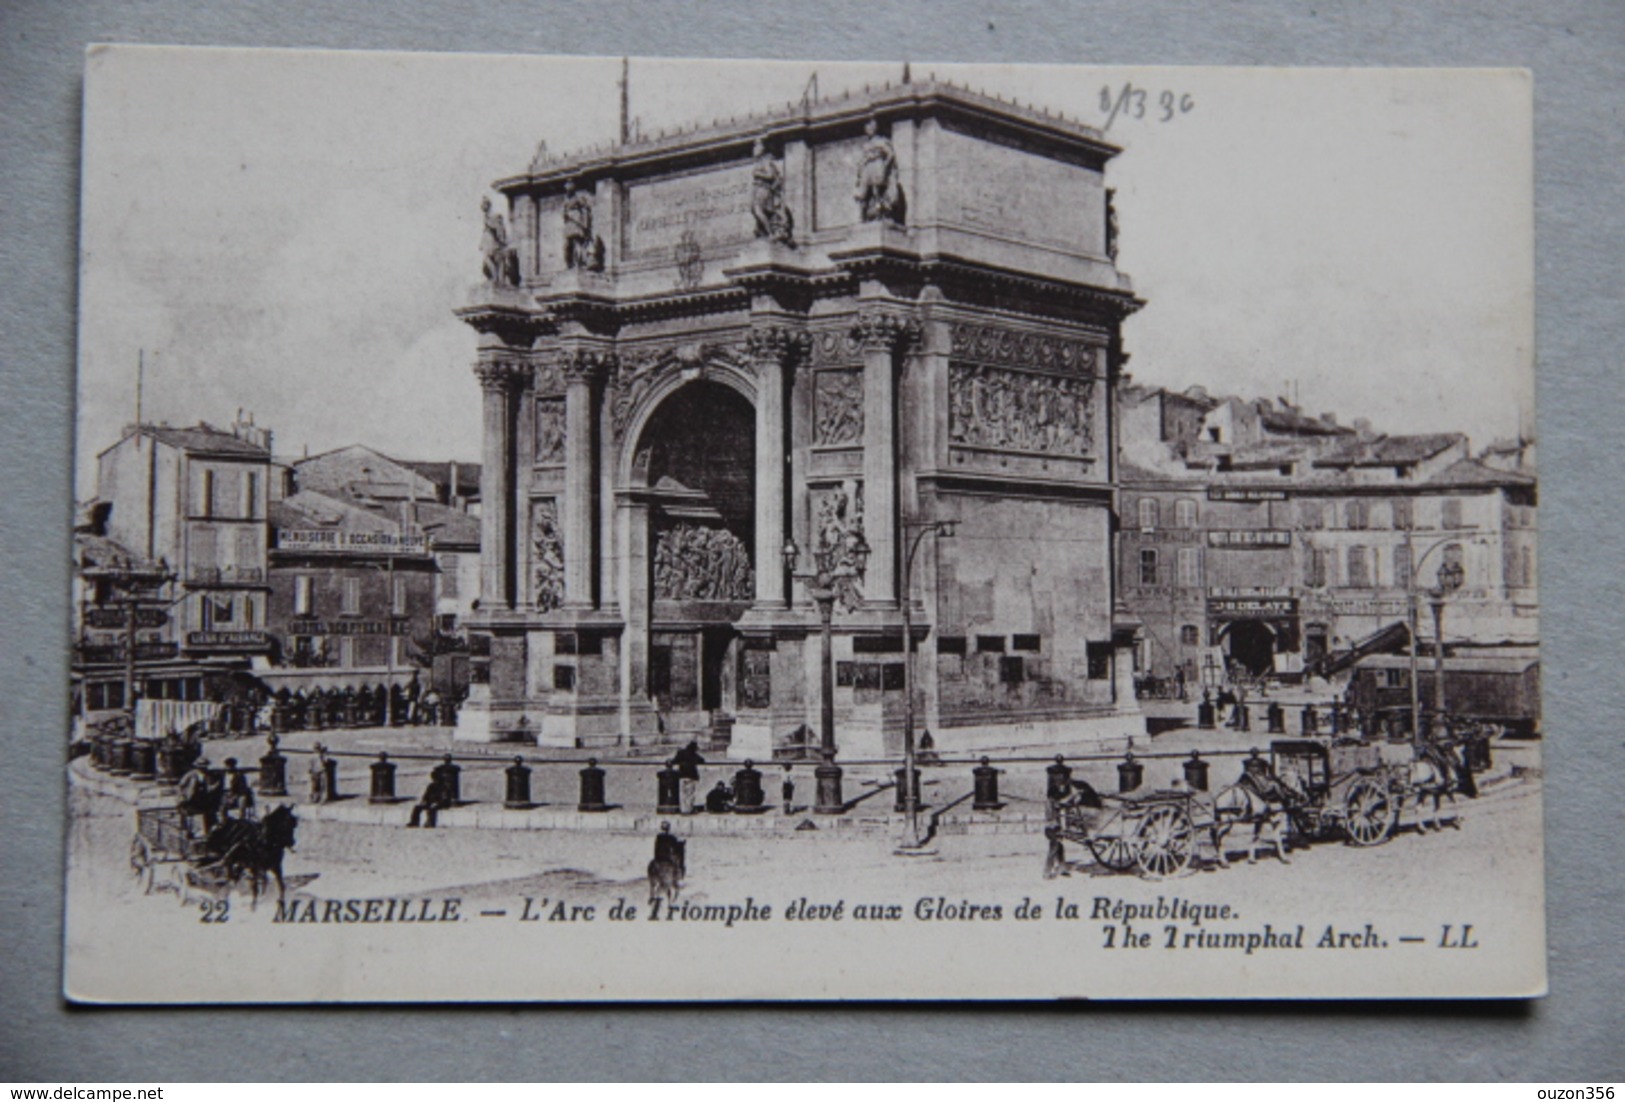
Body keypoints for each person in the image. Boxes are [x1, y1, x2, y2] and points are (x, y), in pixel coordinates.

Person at [853, 116, 903, 222]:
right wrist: (859, 172)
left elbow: (890, 154)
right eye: (867, 127)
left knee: (878, 189)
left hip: (877, 164)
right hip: (867, 167)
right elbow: (862, 160)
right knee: (863, 192)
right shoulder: (866, 145)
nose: (869, 129)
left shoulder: (881, 141)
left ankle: (881, 212)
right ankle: (863, 215)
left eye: (871, 127)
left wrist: (885, 166)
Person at [177, 756, 219, 833]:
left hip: (204, 798)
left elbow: (212, 785)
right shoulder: (191, 774)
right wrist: (182, 795)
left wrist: (213, 787)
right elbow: (181, 785)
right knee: (188, 814)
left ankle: (208, 830)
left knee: (208, 813)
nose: (203, 768)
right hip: (191, 798)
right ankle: (188, 830)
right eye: (201, 766)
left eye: (204, 766)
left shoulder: (209, 775)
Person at [673, 739, 704, 814]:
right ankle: (688, 809)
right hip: (691, 776)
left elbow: (674, 761)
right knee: (689, 794)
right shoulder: (693, 754)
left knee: (683, 793)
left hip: (682, 776)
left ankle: (683, 809)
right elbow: (702, 760)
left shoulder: (681, 753)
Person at [221, 757, 256, 822]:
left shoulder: (239, 776)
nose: (229, 768)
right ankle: (224, 820)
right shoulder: (223, 775)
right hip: (226, 794)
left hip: (237, 794)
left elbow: (242, 789)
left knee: (242, 799)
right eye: (227, 766)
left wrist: (234, 796)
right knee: (222, 805)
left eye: (231, 766)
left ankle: (241, 819)